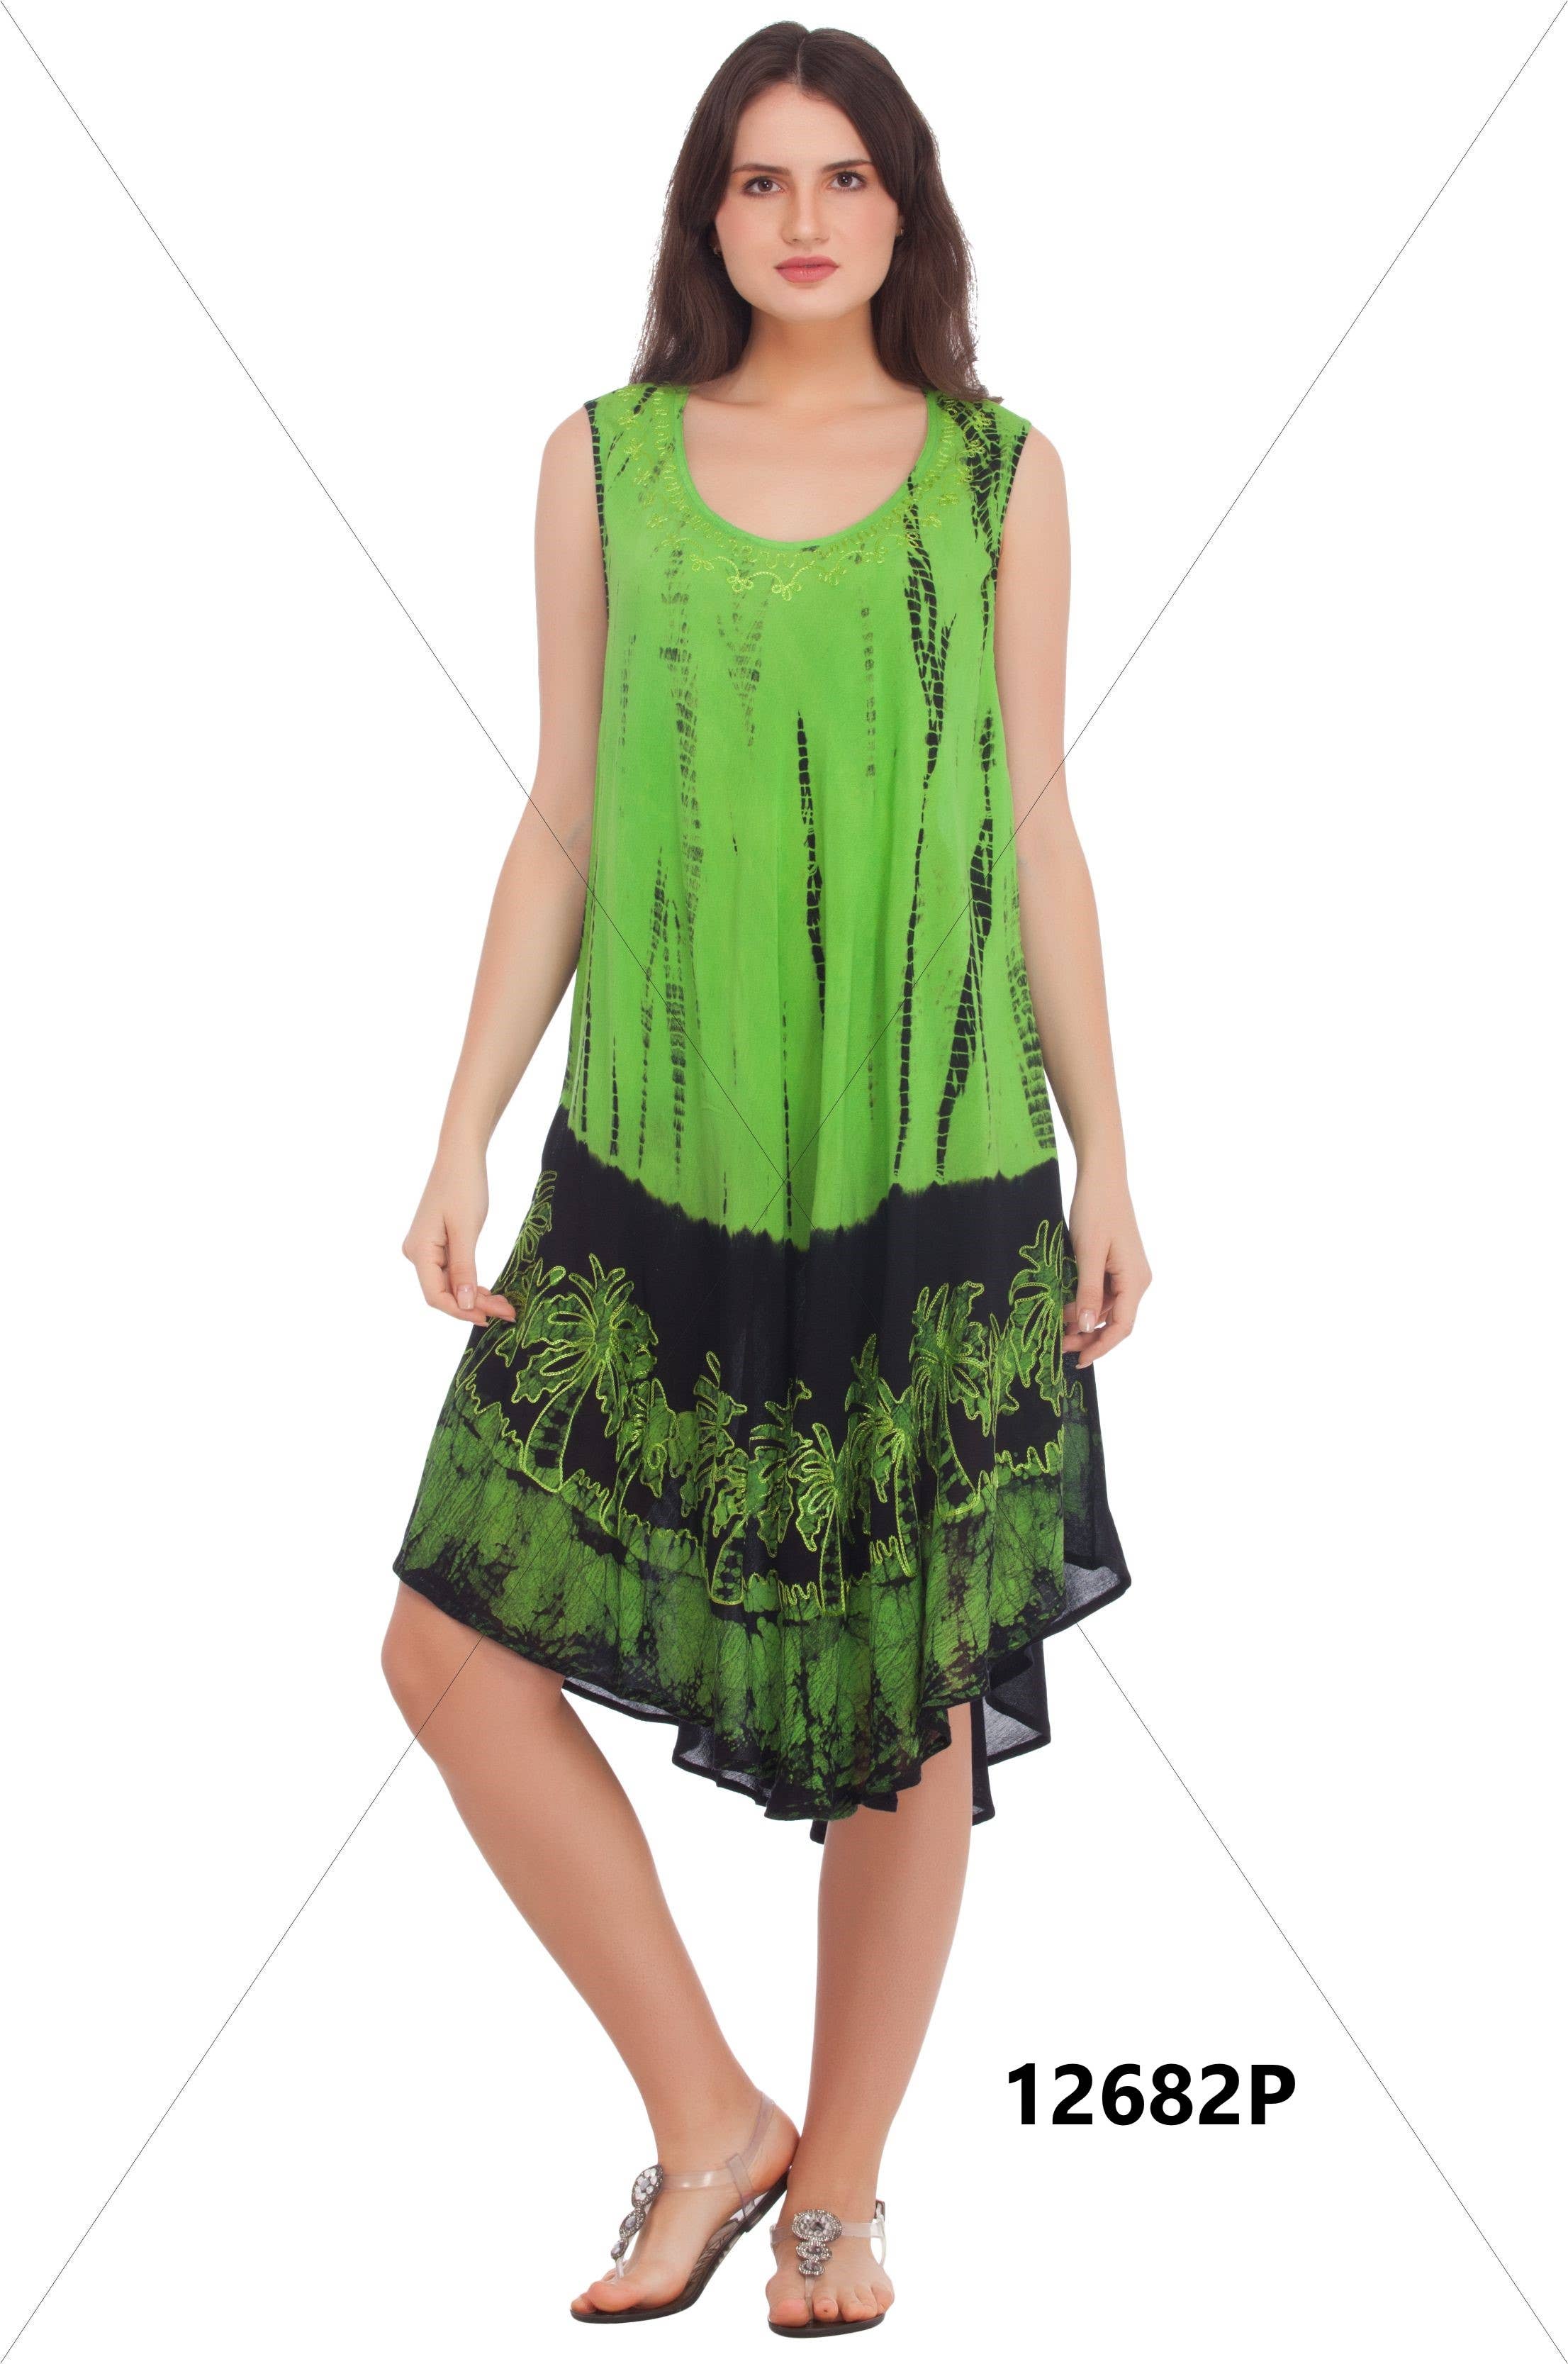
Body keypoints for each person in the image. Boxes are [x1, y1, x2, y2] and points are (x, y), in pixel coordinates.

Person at [380, 20, 1150, 2337]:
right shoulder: (602, 463)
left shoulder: (997, 475)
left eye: (841, 177)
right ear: (704, 218)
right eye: (755, 180)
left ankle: (846, 2197)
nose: (801, 219)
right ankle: (711, 2121)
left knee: (914, 1696)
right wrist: (459, 1125)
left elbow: (1032, 828)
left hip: (932, 1160)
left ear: (903, 210)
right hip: (655, 1159)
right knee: (446, 1654)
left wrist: (1111, 1153)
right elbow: (562, 818)